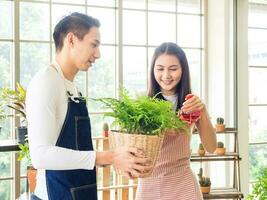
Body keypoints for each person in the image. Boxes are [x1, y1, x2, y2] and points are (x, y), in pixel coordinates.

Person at [26, 12, 151, 200]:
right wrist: (109, 157)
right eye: (94, 44)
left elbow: (77, 151)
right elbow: (40, 155)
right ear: (71, 40)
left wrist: (119, 161)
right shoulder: (46, 82)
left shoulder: (72, 87)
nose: (98, 54)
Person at [136, 42, 217, 200]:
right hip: (149, 186)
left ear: (183, 70)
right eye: (160, 69)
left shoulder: (192, 103)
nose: (166, 75)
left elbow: (212, 147)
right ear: (153, 70)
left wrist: (203, 110)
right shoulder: (142, 106)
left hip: (183, 186)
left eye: (173, 69)